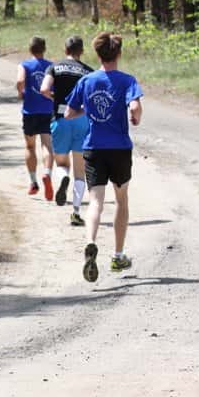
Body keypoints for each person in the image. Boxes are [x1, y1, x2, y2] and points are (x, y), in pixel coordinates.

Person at [64, 32, 143, 282]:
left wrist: (87, 110)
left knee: (96, 202)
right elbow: (135, 108)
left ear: (97, 55)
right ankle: (118, 255)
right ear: (119, 53)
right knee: (121, 200)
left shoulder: (87, 81)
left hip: (94, 148)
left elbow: (68, 113)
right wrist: (135, 116)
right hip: (119, 148)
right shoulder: (127, 80)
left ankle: (90, 241)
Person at [40, 36, 93, 226]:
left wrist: (55, 97)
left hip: (61, 118)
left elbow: (44, 89)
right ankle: (76, 212)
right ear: (82, 51)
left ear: (65, 50)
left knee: (62, 162)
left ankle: (63, 177)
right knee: (80, 170)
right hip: (81, 119)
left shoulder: (54, 67)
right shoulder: (88, 71)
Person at [16, 36, 54, 200]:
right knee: (47, 145)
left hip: (30, 111)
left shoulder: (24, 65)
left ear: (30, 49)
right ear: (44, 49)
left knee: (30, 146)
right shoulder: (51, 66)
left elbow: (20, 80)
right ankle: (47, 173)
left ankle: (33, 182)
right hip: (47, 110)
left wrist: (21, 93)